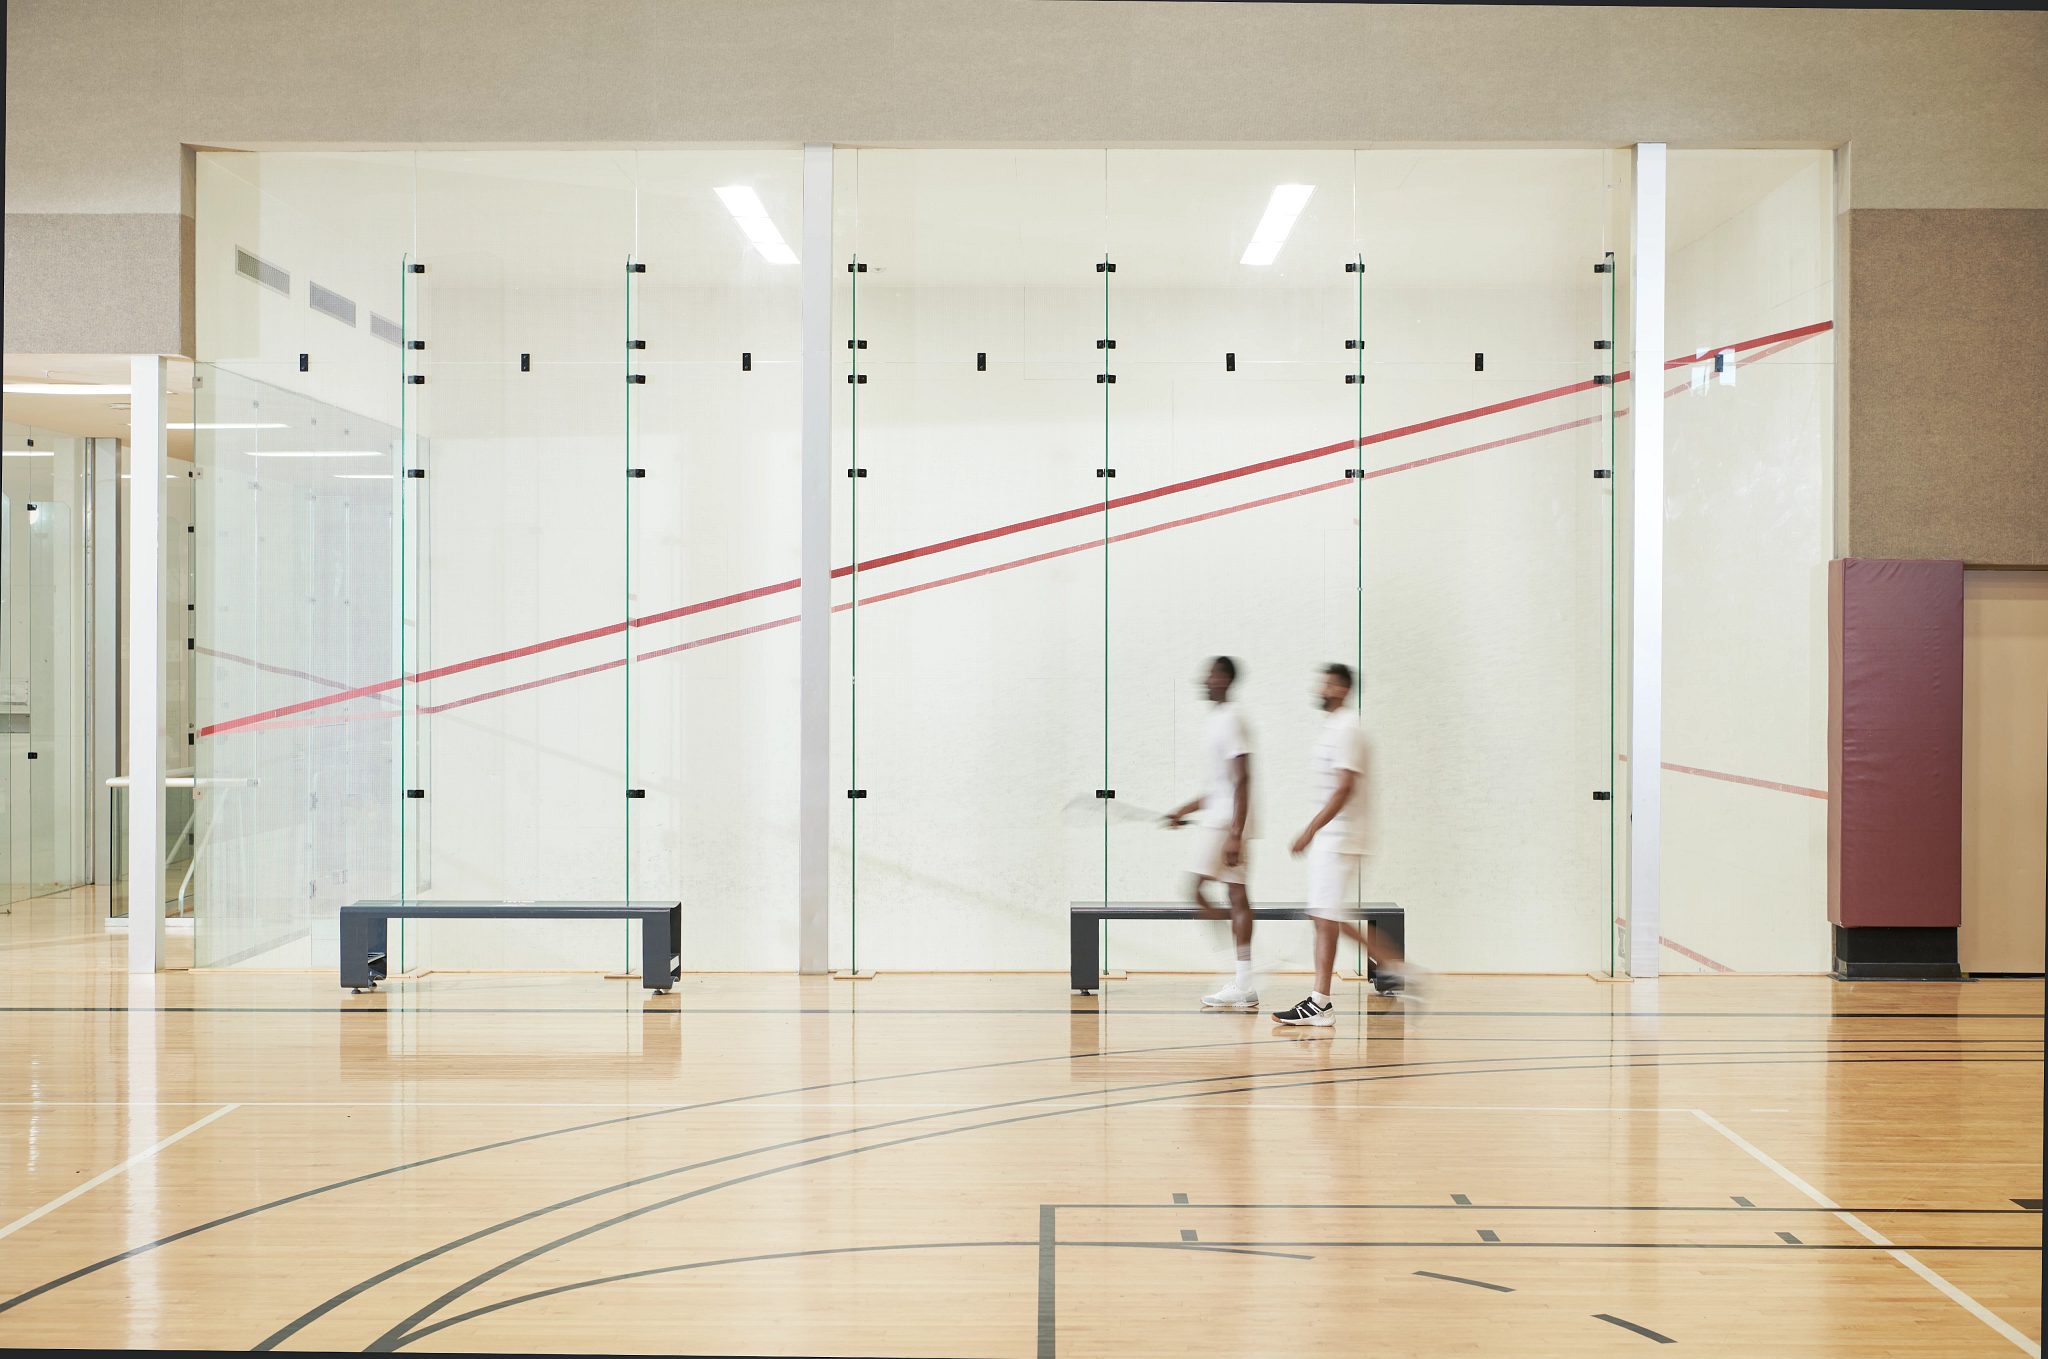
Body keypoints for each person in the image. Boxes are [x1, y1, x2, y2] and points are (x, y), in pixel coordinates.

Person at [1272, 662, 1412, 1026]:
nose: (1322, 689)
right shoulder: (1336, 727)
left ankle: (1400, 971)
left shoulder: (1349, 728)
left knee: (1326, 915)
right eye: (1322, 683)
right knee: (1324, 916)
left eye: (1329, 685)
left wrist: (1311, 829)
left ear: (1344, 690)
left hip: (1341, 838)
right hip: (1334, 839)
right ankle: (1321, 1002)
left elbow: (1345, 787)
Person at [1164, 657, 1257, 1010]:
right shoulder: (1217, 720)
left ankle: (1245, 972)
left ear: (1225, 680)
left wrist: (1236, 832)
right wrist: (1182, 811)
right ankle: (1245, 979)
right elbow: (1218, 788)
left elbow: (1242, 778)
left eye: (1211, 675)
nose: (1204, 680)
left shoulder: (1232, 719)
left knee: (1198, 890)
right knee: (1235, 897)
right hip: (1222, 818)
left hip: (1225, 824)